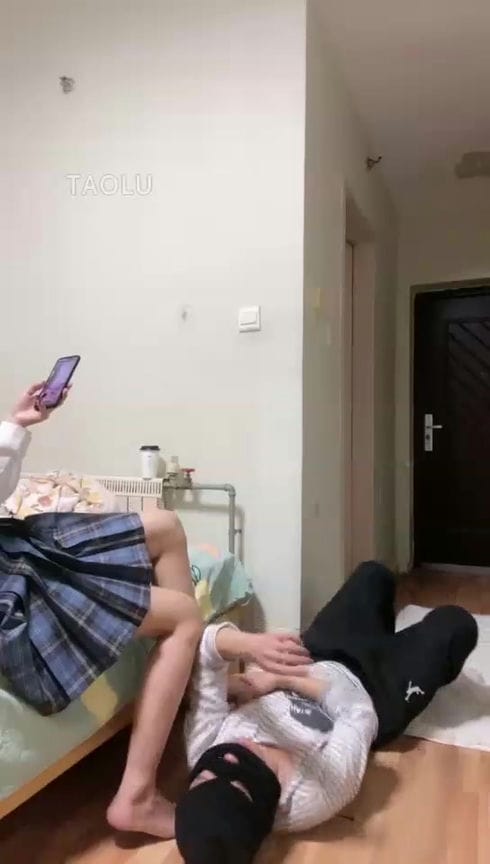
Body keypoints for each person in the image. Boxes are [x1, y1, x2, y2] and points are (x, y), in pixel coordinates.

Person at [0, 382, 205, 837]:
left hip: (14, 543)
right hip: (11, 581)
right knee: (183, 617)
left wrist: (15, 424)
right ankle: (137, 797)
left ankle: (191, 686)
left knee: (166, 525)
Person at [175, 561, 478, 864]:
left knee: (374, 575)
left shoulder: (204, 747)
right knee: (457, 625)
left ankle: (380, 633)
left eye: (203, 778)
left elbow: (207, 649)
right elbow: (360, 713)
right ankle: (391, 644)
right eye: (235, 783)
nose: (227, 759)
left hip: (317, 655)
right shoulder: (311, 796)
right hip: (376, 692)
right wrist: (278, 680)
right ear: (261, 805)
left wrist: (250, 646)